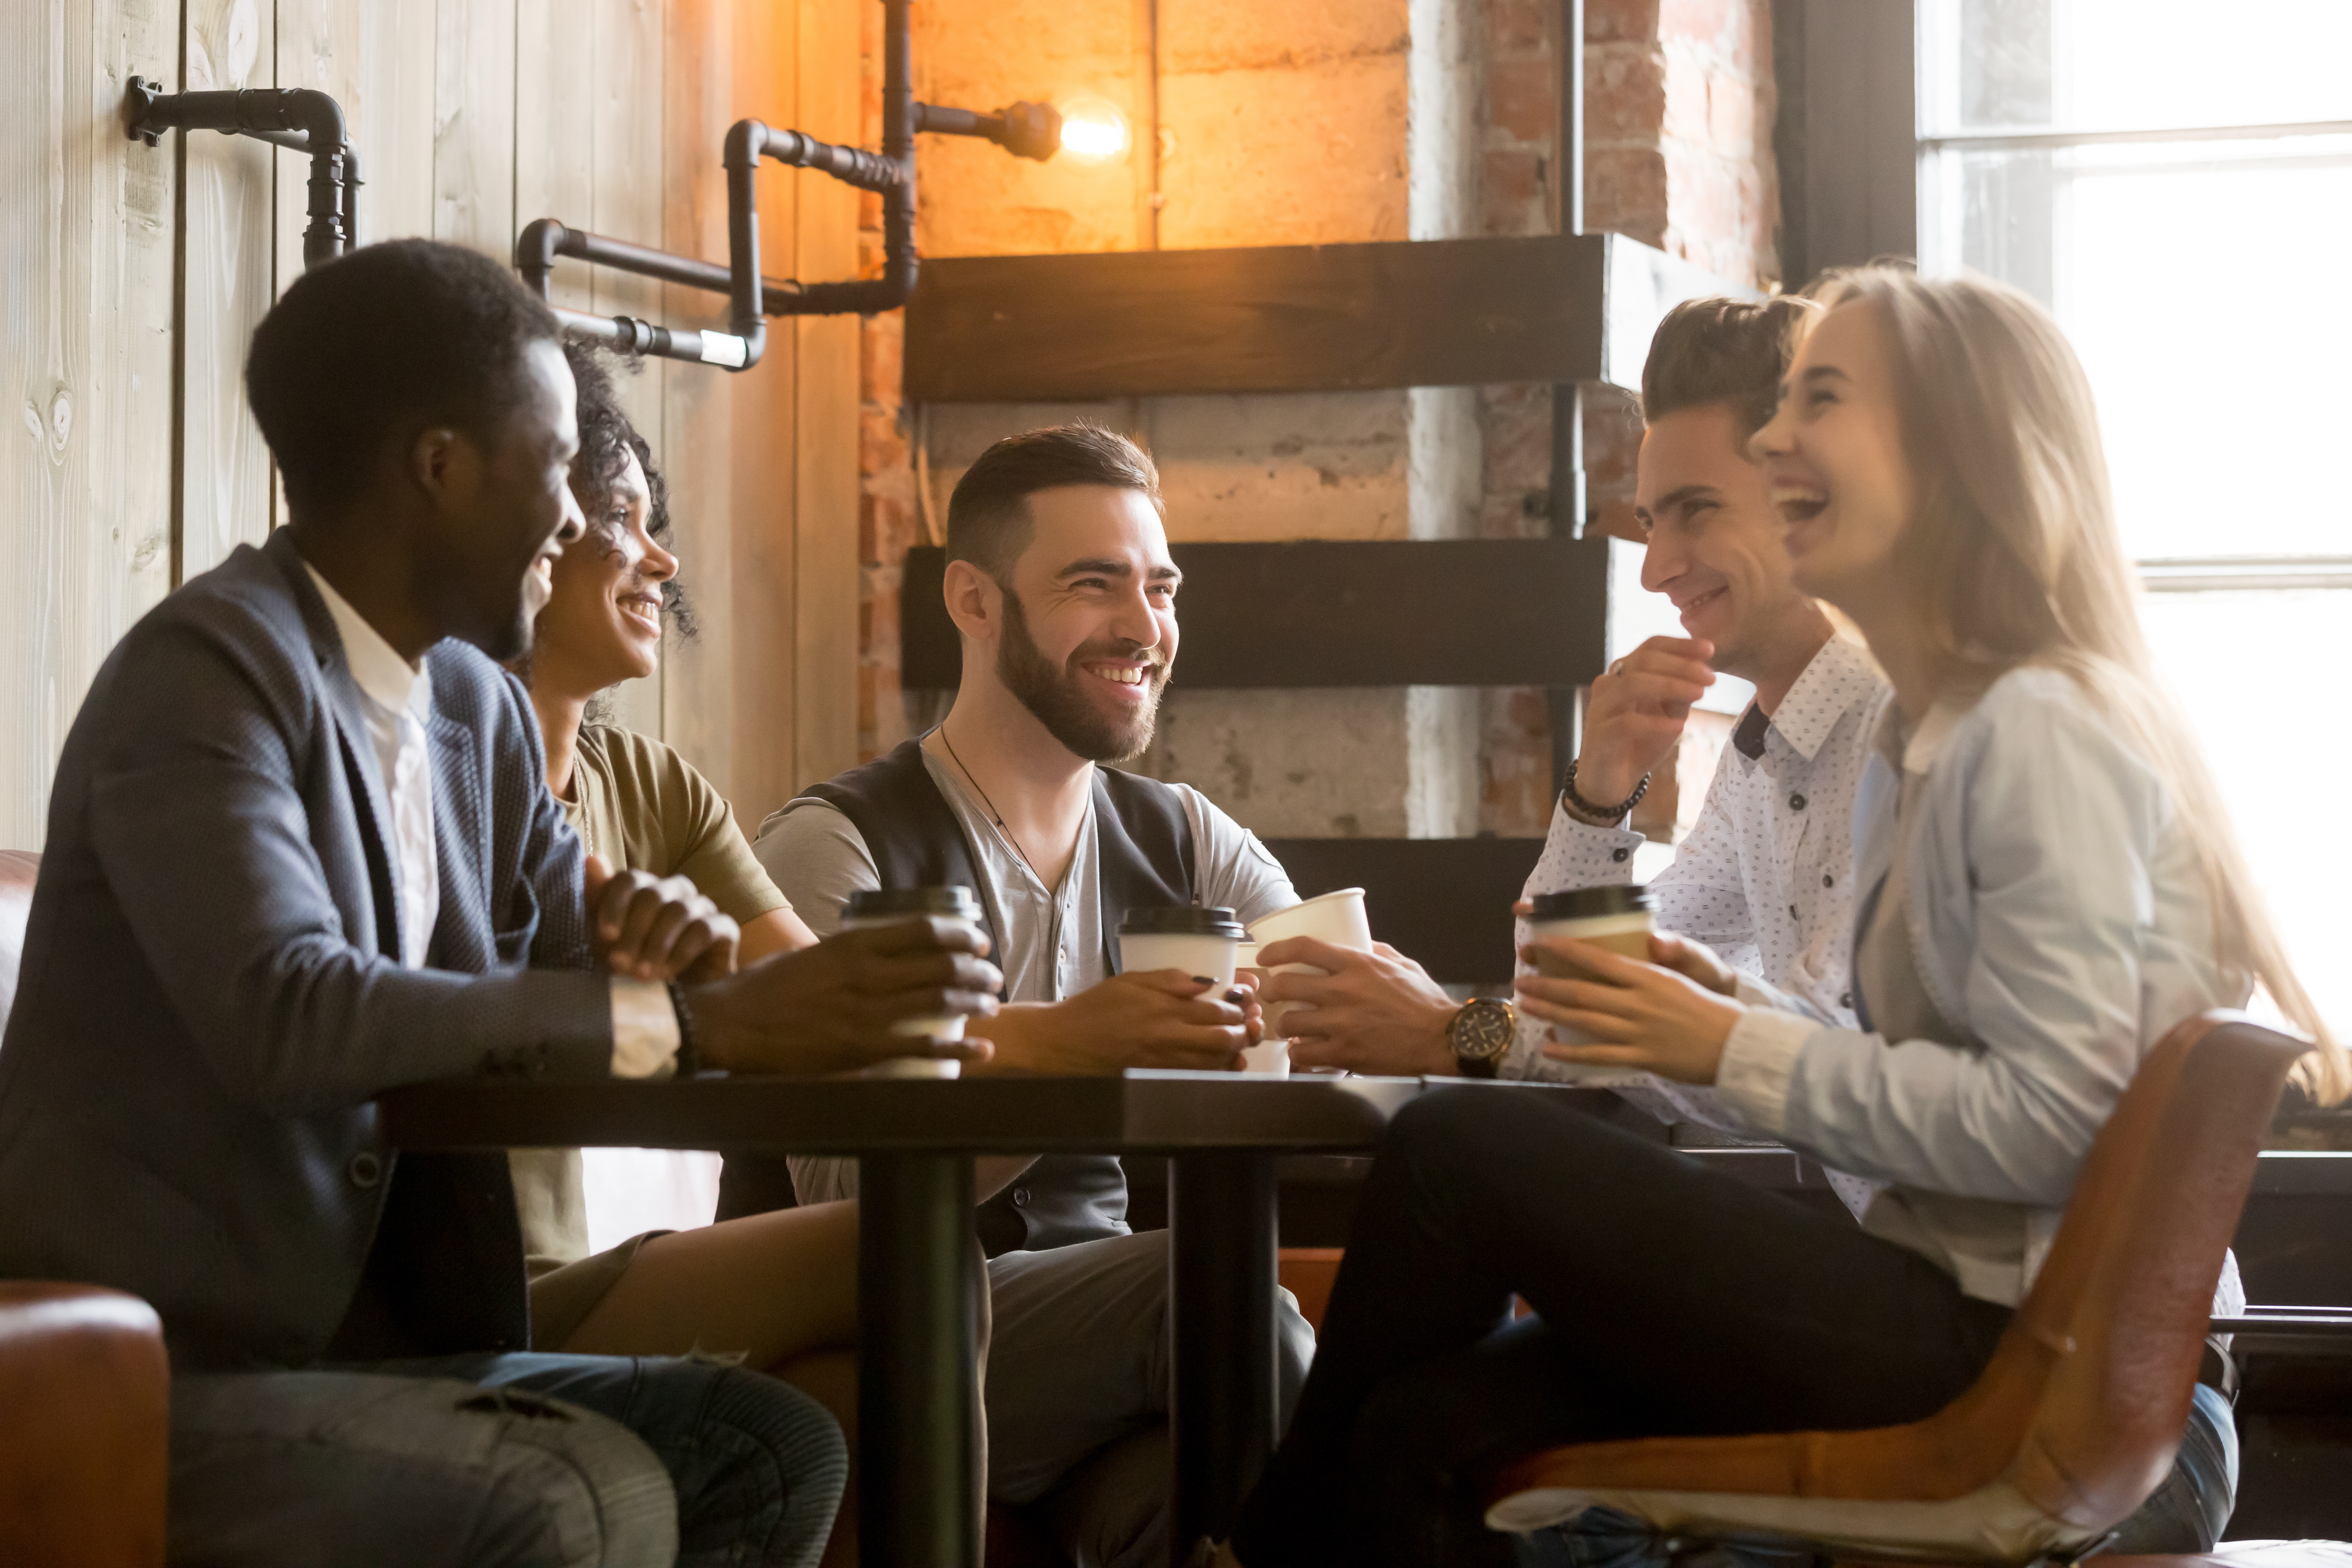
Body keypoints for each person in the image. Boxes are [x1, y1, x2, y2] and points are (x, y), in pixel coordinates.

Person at [1207, 266, 2346, 1568]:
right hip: (1955, 1313)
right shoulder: (1879, 737)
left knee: (1463, 1156)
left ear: (1946, 459)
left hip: (2028, 1363)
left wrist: (1701, 1039)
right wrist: (1605, 810)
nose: (1786, 443)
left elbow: (2048, 1127)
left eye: (1820, 406)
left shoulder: (2021, 729)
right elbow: (1596, 1000)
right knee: (1424, 1425)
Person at [0, 239, 999, 1567]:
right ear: (439, 466)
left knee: (770, 1448)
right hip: (166, 1363)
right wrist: (696, 1030)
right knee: (577, 1494)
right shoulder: (208, 675)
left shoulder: (471, 705)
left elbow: (565, 966)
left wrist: (667, 959)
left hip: (407, 1339)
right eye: (553, 464)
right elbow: (285, 1014)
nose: (582, 526)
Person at [750, 424, 1316, 1568]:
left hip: (1088, 1352)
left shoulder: (1189, 839)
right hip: (883, 1325)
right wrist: (1069, 1052)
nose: (1144, 626)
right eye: (1091, 584)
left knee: (1206, 1485)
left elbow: (1336, 1007)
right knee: (1219, 1300)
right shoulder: (839, 847)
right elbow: (837, 1195)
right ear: (975, 600)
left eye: (1160, 588)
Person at [510, 340, 980, 1568]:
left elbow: (814, 1004)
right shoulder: (444, 777)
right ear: (531, 531)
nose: (662, 560)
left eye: (656, 524)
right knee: (905, 1253)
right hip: (497, 1283)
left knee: (854, 1368)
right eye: (624, 520)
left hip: (613, 1268)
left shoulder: (651, 784)